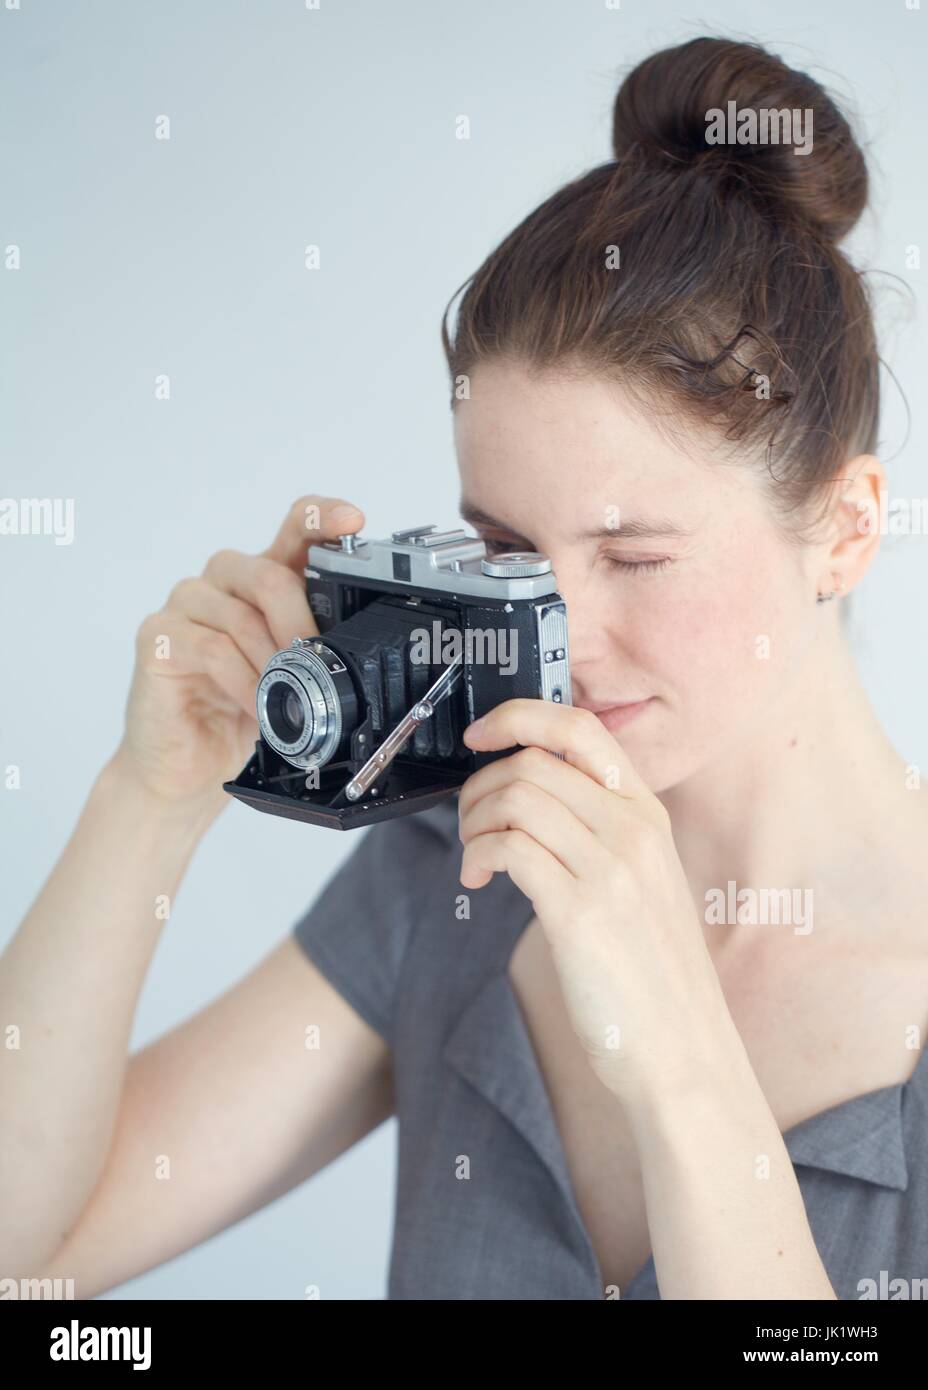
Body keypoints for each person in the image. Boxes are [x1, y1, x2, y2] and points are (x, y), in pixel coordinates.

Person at [2, 36, 926, 1302]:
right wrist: (148, 798)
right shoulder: (456, 865)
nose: (560, 638)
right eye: (504, 551)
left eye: (636, 556)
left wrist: (679, 1060)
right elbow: (25, 1252)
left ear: (847, 526)